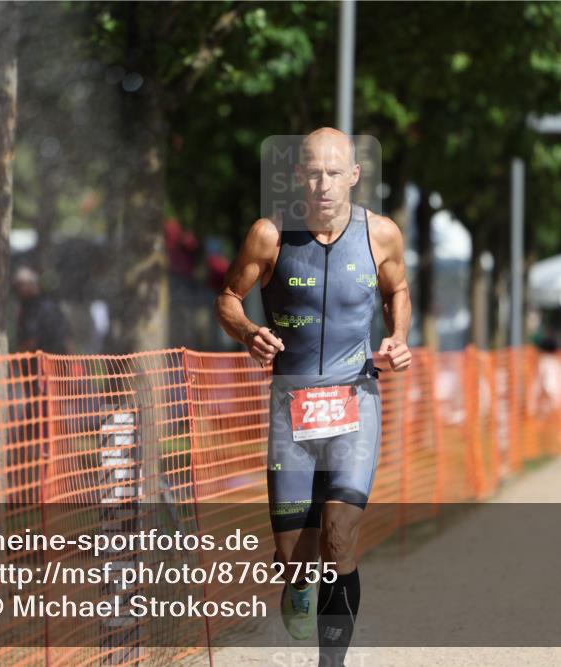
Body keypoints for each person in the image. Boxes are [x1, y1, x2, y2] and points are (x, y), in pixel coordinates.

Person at [216, 128, 412, 666]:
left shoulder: (381, 235)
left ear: (353, 175)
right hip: (290, 408)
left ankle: (332, 664)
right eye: (314, 172)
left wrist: (397, 338)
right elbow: (230, 297)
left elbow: (397, 290)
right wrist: (246, 331)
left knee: (340, 535)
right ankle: (298, 584)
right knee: (296, 560)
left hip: (356, 401)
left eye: (335, 172)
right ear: (299, 176)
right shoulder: (269, 235)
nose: (324, 184)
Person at [11, 265, 70, 502]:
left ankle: (33, 476)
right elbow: (67, 339)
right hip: (53, 370)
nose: (18, 290)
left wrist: (13, 358)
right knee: (48, 421)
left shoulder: (34, 307)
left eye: (20, 285)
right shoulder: (51, 304)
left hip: (41, 372)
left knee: (36, 422)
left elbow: (31, 339)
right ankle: (46, 472)